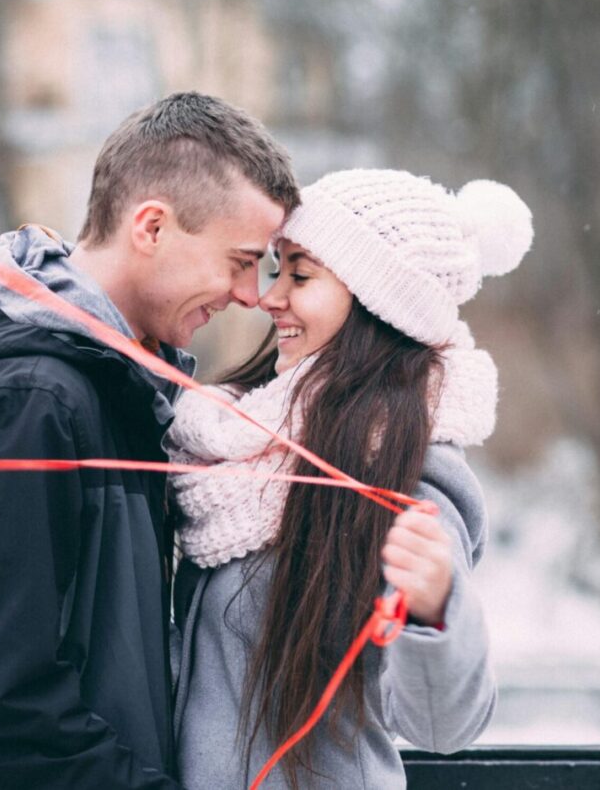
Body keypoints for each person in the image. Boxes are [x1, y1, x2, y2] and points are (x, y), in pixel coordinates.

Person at [0, 92, 299, 789]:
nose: (251, 294)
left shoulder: (111, 386)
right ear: (151, 227)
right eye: (241, 260)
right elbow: (9, 705)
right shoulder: (29, 400)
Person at [169, 168, 533, 789]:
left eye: (301, 275)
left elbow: (444, 726)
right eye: (276, 268)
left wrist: (434, 609)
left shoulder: (406, 472)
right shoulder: (229, 445)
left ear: (377, 301)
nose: (270, 296)